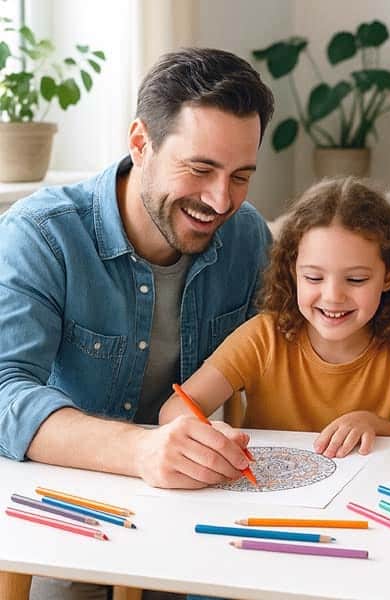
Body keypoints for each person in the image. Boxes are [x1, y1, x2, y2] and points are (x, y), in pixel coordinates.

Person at [0, 47, 274, 487]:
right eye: (200, 169)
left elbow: (291, 355)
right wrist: (141, 450)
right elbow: (5, 391)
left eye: (240, 176)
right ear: (141, 144)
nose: (221, 200)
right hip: (63, 491)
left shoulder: (247, 237)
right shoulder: (41, 235)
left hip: (190, 493)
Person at [158, 177, 390, 457]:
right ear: (293, 270)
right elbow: (174, 410)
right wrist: (211, 433)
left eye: (356, 279)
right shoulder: (263, 337)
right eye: (314, 277)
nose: (333, 296)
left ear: (389, 275)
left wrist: (373, 424)